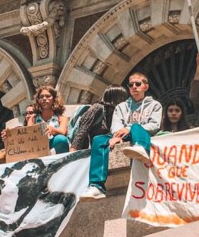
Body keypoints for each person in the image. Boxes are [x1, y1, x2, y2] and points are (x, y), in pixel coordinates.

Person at [80, 72, 163, 200]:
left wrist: (128, 128)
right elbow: (116, 126)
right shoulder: (121, 107)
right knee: (99, 139)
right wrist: (117, 136)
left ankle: (141, 148)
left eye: (138, 84)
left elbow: (154, 125)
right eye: (131, 84)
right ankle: (97, 186)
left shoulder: (155, 105)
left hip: (142, 135)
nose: (134, 86)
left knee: (136, 126)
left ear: (146, 87)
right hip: (122, 136)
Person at [70, 85, 128, 151]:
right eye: (124, 97)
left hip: (108, 148)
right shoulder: (97, 108)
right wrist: (72, 153)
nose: (126, 101)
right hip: (92, 149)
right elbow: (82, 132)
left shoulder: (117, 113)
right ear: (117, 98)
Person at [27, 85, 70, 154]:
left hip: (55, 148)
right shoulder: (33, 119)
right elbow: (27, 135)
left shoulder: (62, 118)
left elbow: (63, 131)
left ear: (54, 99)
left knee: (61, 139)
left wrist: (53, 130)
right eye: (41, 97)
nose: (44, 98)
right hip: (37, 149)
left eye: (48, 96)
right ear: (38, 100)